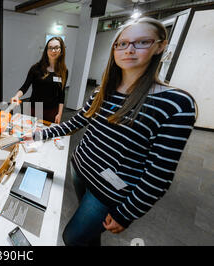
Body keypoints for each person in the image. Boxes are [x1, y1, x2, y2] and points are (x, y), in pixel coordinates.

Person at [25, 17, 197, 246]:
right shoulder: (103, 90)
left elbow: (159, 173)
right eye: (122, 44)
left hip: (109, 189)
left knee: (72, 237)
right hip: (80, 170)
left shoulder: (176, 103)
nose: (129, 49)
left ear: (160, 46)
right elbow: (76, 122)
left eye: (142, 42)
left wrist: (127, 213)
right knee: (89, 235)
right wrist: (38, 134)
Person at [11, 37, 68, 123]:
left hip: (52, 110)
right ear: (46, 50)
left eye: (56, 47)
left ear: (61, 50)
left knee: (46, 134)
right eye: (50, 48)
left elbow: (61, 95)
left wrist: (59, 114)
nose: (53, 51)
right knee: (31, 134)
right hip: (35, 108)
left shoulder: (63, 71)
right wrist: (16, 96)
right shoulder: (36, 68)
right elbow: (25, 86)